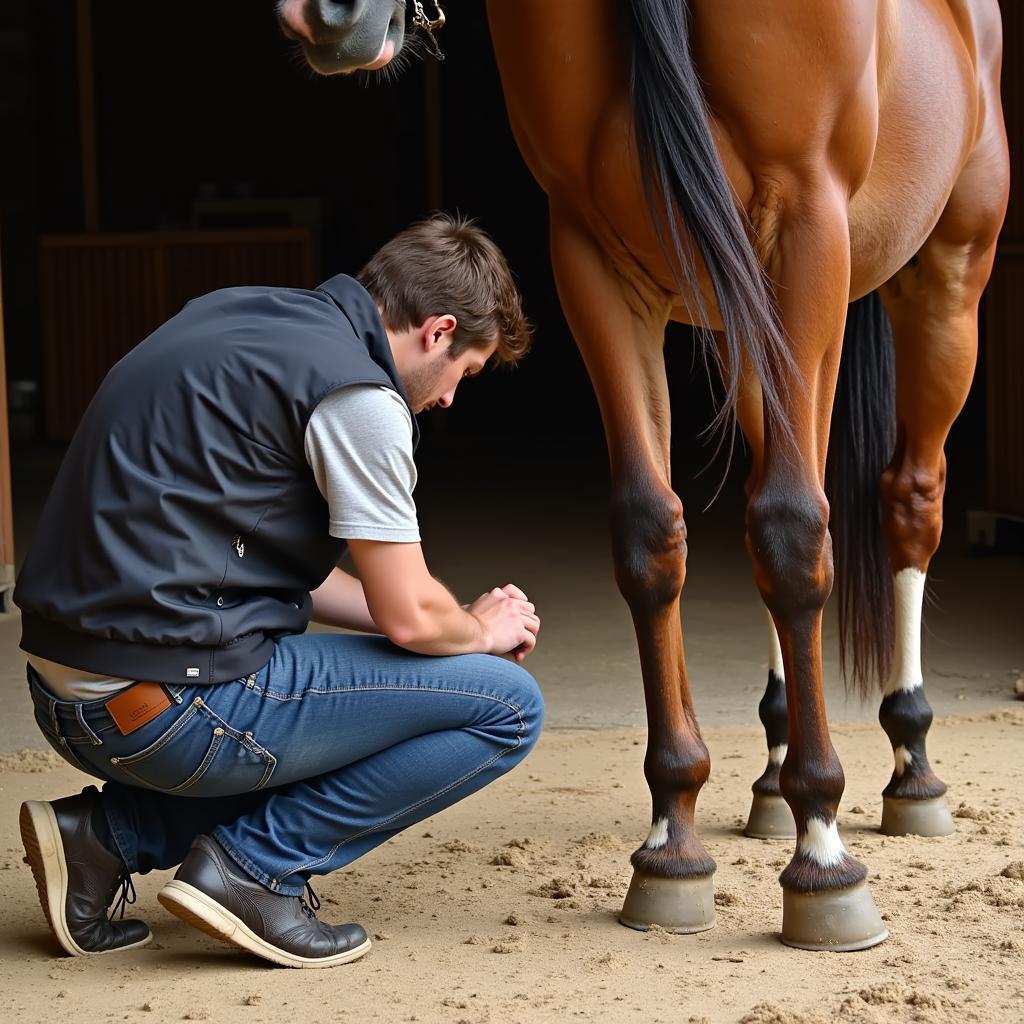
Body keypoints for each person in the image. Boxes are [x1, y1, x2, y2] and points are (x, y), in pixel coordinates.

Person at [14, 213, 544, 969]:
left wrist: (444, 625)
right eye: (467, 371)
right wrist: (478, 632)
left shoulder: (243, 315)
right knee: (505, 705)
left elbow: (282, 570)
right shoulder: (359, 399)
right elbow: (409, 615)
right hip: (165, 710)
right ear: (438, 331)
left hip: (70, 691)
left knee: (409, 687)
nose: (452, 398)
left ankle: (106, 840)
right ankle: (253, 872)